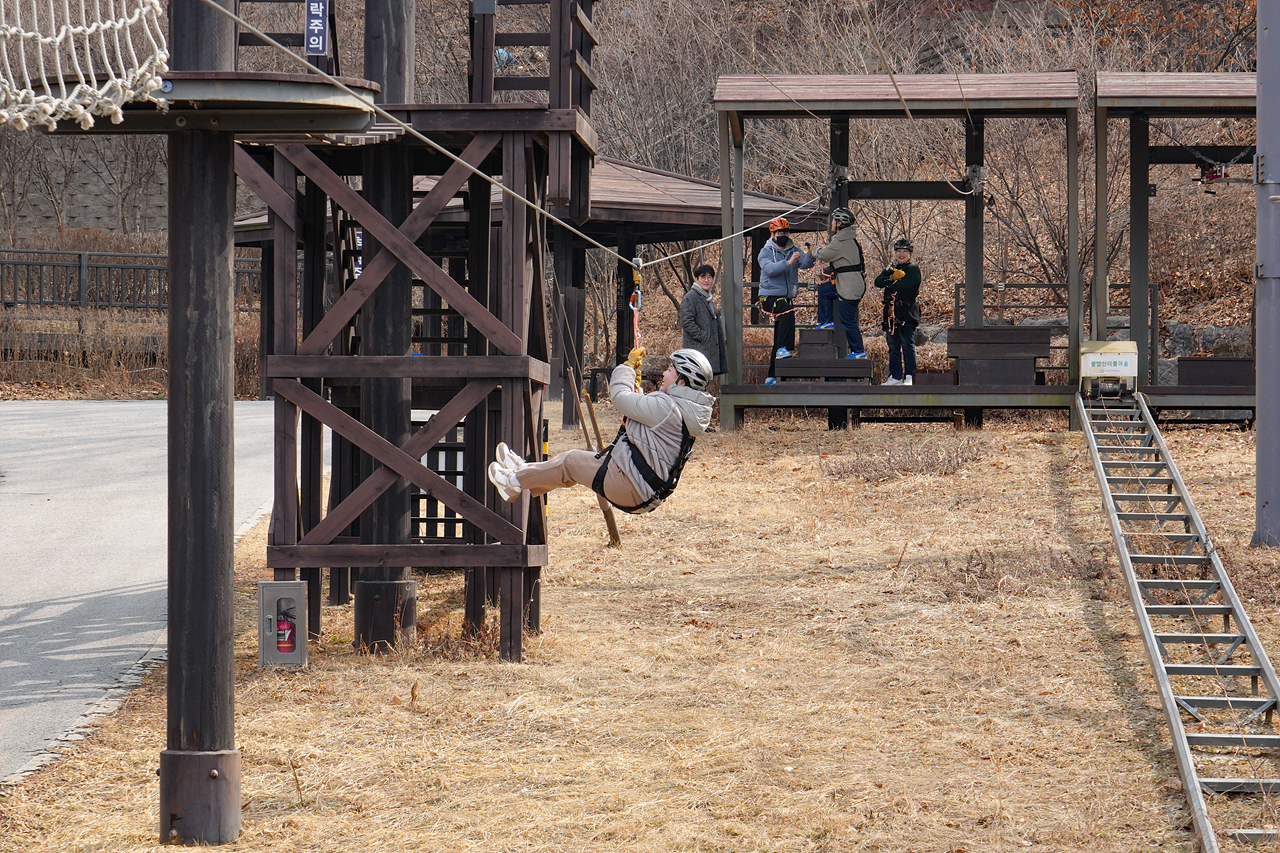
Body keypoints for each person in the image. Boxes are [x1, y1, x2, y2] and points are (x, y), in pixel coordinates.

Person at [487, 348, 715, 514]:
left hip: (631, 484)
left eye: (670, 370)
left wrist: (626, 369)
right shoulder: (686, 412)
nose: (664, 374)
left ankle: (513, 482)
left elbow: (620, 398)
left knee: (571, 462)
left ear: (682, 383)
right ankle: (524, 471)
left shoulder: (667, 407)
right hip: (642, 489)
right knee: (571, 464)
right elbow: (641, 413)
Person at [757, 217, 813, 385]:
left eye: (786, 232)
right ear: (773, 234)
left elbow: (804, 263)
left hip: (786, 297)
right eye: (780, 233)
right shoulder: (765, 252)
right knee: (788, 312)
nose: (784, 235)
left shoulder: (793, 249)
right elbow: (769, 269)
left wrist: (811, 254)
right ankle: (784, 349)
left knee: (780, 335)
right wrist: (788, 262)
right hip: (769, 296)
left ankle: (773, 375)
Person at [812, 206, 868, 359]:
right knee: (824, 291)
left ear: (839, 223)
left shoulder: (841, 241)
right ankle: (826, 321)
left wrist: (813, 249)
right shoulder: (849, 240)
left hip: (848, 286)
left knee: (847, 320)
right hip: (850, 283)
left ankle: (858, 351)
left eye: (833, 220)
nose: (831, 223)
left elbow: (824, 255)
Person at [873, 237, 922, 386]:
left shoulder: (913, 270)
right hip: (891, 313)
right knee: (893, 346)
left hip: (907, 312)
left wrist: (890, 281)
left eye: (905, 251)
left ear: (910, 254)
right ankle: (895, 376)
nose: (901, 254)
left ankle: (910, 375)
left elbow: (904, 285)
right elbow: (878, 282)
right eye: (899, 251)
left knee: (907, 344)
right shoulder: (891, 268)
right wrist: (891, 277)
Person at [679, 264, 727, 379]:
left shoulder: (707, 297)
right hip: (697, 350)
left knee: (705, 381)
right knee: (696, 381)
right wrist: (704, 336)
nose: (706, 280)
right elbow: (686, 322)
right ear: (696, 279)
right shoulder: (691, 297)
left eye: (709, 277)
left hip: (707, 350)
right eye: (703, 277)